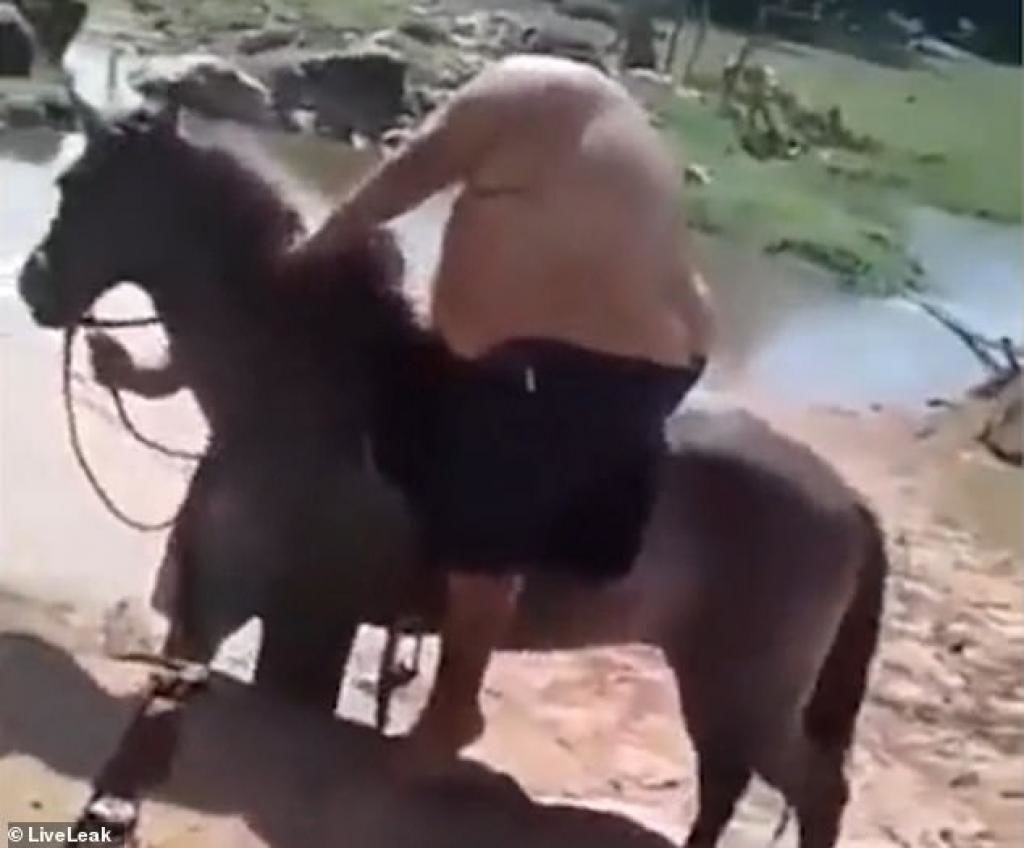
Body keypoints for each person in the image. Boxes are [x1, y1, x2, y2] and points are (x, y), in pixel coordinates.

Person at [300, 54, 715, 770]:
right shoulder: (605, 119)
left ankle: (454, 706)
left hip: (579, 367)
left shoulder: (508, 94)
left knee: (487, 498)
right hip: (657, 349)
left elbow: (390, 190)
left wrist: (306, 253)